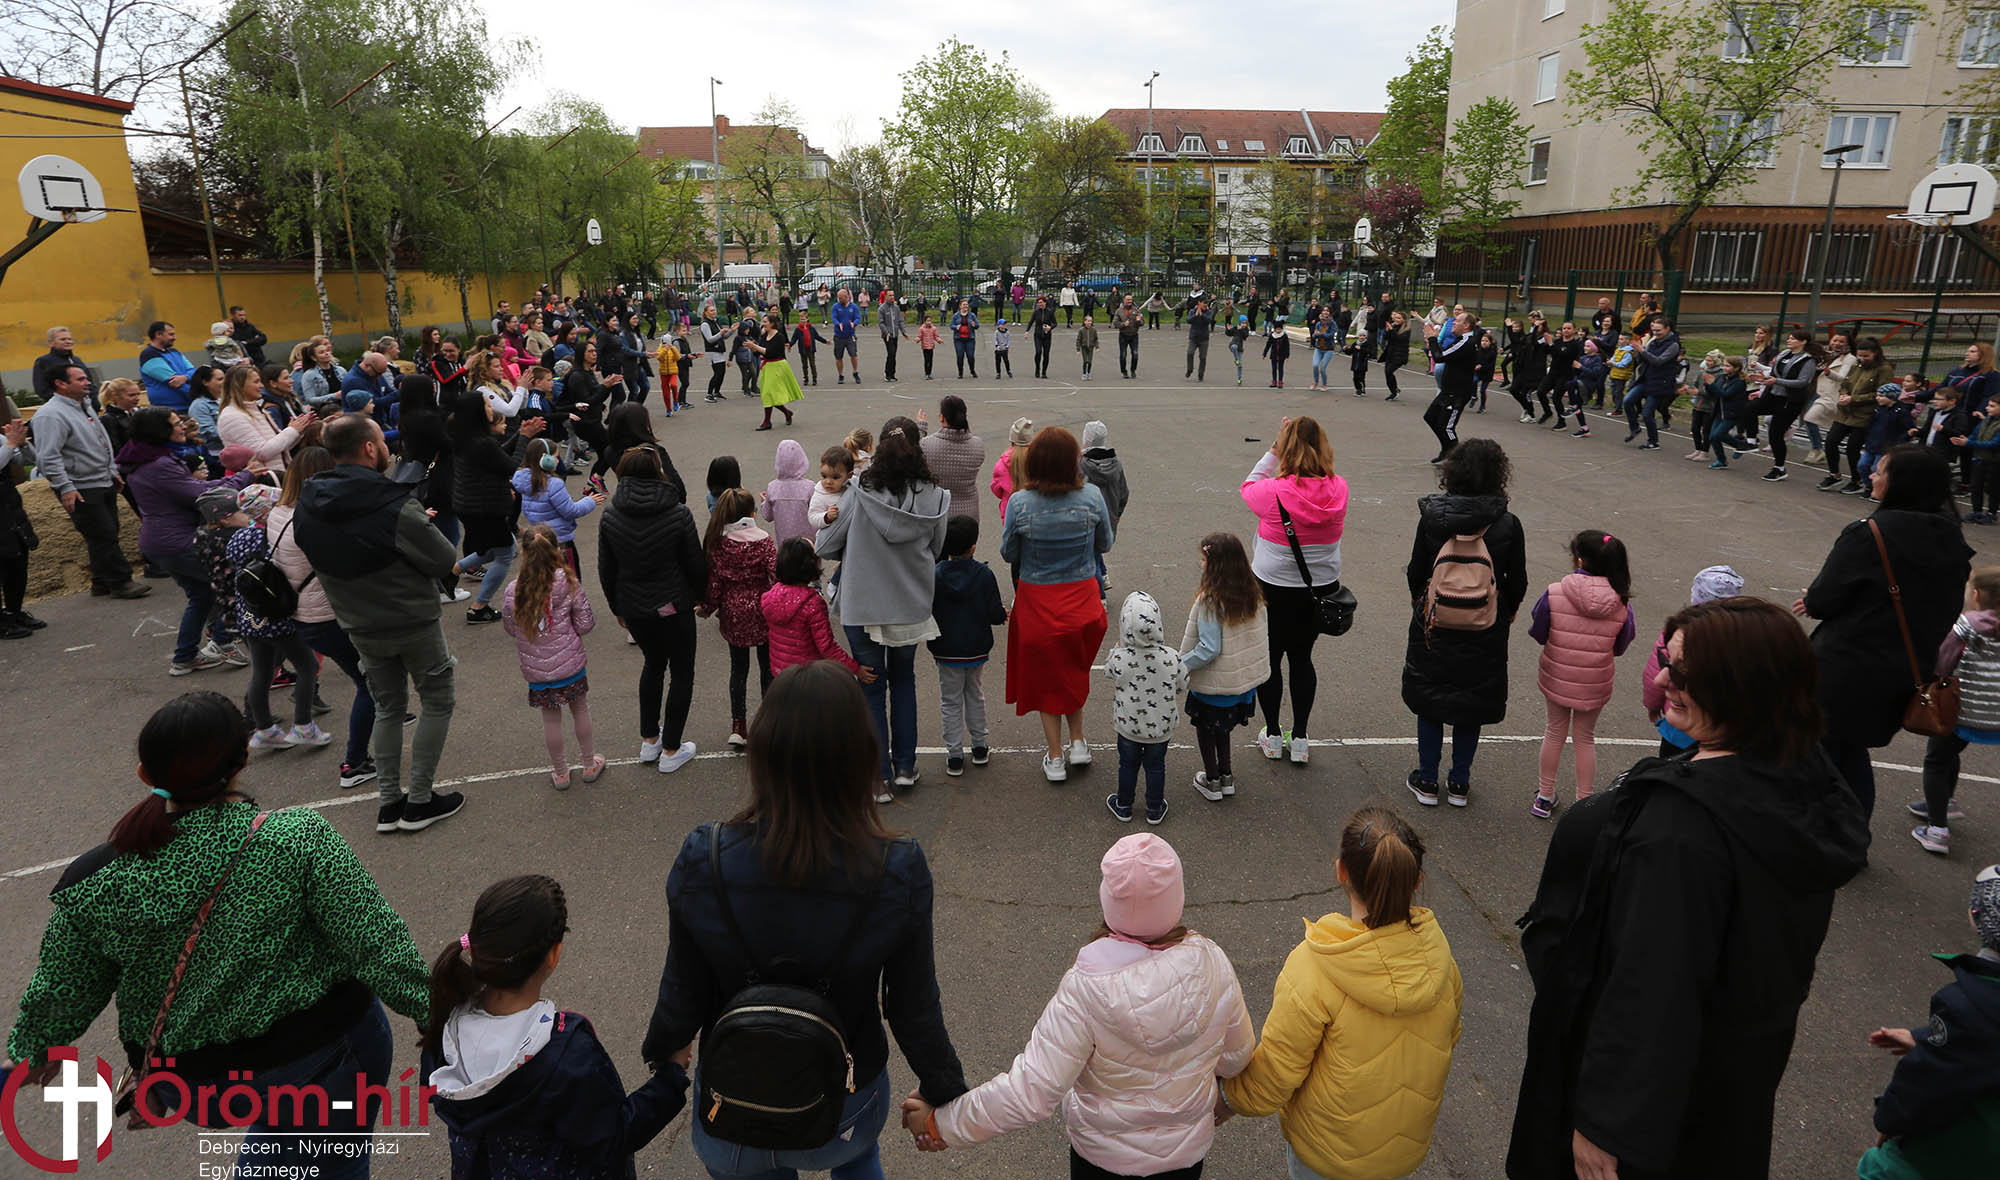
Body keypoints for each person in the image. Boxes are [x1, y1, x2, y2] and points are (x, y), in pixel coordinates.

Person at [1508, 596, 1869, 1180]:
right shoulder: (1802, 780)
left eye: (1683, 673)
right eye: (1666, 662)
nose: (1663, 681)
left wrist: (1604, 1122)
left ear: (1740, 685)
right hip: (1730, 1082)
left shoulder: (1682, 833)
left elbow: (1653, 984)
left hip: (1652, 1116)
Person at [5, 691, 431, 1180]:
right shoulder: (294, 838)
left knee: (283, 1148)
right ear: (243, 758)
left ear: (145, 773)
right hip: (316, 1057)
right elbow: (375, 941)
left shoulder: (94, 879)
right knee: (326, 1158)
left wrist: (36, 1049)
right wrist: (434, 1012)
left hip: (195, 1083)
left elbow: (64, 986)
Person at [641, 663, 971, 1178]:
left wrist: (665, 1051)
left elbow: (684, 985)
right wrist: (943, 1091)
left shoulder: (705, 857)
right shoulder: (895, 867)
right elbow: (912, 1006)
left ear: (764, 753)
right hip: (846, 1098)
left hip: (735, 1097)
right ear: (860, 755)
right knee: (858, 1157)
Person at [903, 833, 1253, 1179]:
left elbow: (1031, 1091)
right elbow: (1236, 1057)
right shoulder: (1213, 961)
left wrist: (942, 1124)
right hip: (1185, 1157)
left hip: (1103, 1160)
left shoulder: (1085, 989)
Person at [1224, 807, 1463, 1180]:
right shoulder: (1441, 963)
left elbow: (1276, 1073)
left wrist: (1227, 1099)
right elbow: (1449, 1036)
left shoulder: (1314, 968)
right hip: (1401, 1152)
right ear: (1416, 880)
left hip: (1327, 1155)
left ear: (1341, 871)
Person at [426, 882, 691, 1179]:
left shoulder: (446, 1028)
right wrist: (670, 1078)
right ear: (553, 955)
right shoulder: (568, 1055)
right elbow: (614, 1136)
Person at [296, 415, 465, 833]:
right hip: (411, 619)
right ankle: (420, 800)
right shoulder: (393, 503)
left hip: (358, 623)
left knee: (388, 707)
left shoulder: (309, 503)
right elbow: (445, 559)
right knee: (437, 701)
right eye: (382, 441)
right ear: (370, 448)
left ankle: (390, 802)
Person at [1798, 444, 1972, 818]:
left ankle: (1822, 834)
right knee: (1849, 750)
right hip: (1906, 669)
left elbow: (1825, 599)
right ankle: (1852, 831)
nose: (1872, 476)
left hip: (1846, 667)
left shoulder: (1870, 533)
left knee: (1817, 752)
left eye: (1881, 471)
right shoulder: (1951, 537)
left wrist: (1813, 600)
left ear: (1902, 483)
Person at [817, 420, 950, 798]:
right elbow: (936, 549)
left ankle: (878, 778)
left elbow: (825, 545)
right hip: (909, 602)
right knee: (904, 679)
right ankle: (905, 766)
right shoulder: (936, 496)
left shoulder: (861, 491)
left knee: (871, 687)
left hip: (864, 603)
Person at [1402, 438, 1528, 807]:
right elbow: (1517, 579)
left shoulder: (1433, 518)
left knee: (1431, 699)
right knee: (1472, 702)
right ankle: (1459, 782)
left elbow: (1416, 570)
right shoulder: (1507, 524)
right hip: (1485, 622)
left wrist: (1421, 602)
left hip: (1436, 621)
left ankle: (1427, 780)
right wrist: (1508, 610)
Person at [1857, 864, 2000, 1178]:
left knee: (1878, 1168)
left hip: (1954, 1151)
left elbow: (1927, 1081)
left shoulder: (1965, 1005)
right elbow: (1985, 1047)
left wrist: (1889, 1121)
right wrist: (1926, 1038)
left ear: (1976, 916)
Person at [1002, 426, 1115, 783]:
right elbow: (1105, 544)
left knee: (1046, 678)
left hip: (1039, 600)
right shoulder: (1092, 496)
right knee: (1072, 670)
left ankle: (1055, 756)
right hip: (1081, 598)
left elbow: (1008, 552)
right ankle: (1078, 741)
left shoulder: (1020, 503)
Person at [267, 447, 380, 787]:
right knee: (369, 684)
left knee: (368, 678)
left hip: (303, 614)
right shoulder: (313, 520)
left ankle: (380, 724)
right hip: (328, 616)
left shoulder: (279, 513)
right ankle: (354, 763)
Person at [1241, 417, 1348, 766]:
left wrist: (1273, 450)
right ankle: (1299, 736)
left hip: (1273, 586)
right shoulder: (1339, 489)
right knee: (1302, 658)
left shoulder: (1273, 491)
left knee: (1271, 659)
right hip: (1319, 588)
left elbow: (1249, 485)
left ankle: (1273, 734)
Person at [119, 407, 256, 672]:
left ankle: (184, 658)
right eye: (175, 423)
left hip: (160, 542)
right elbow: (201, 494)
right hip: (178, 543)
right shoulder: (159, 465)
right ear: (159, 431)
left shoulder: (147, 459)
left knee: (202, 595)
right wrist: (245, 475)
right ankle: (223, 641)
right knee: (234, 587)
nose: (182, 426)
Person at [597, 445, 705, 774]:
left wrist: (617, 607)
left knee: (653, 664)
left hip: (634, 608)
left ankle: (649, 740)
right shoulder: (678, 513)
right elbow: (694, 562)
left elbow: (606, 569)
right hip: (674, 604)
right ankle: (672, 747)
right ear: (658, 472)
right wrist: (701, 596)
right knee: (682, 671)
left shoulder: (611, 515)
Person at [1529, 531, 1636, 818]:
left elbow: (1538, 631)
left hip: (1557, 674)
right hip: (1594, 680)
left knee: (1554, 731)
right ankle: (1584, 804)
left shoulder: (1555, 592)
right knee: (1585, 738)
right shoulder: (1622, 602)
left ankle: (1545, 796)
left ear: (1579, 560)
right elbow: (1621, 645)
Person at [33, 361, 150, 598]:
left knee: (106, 533)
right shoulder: (50, 415)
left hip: (101, 480)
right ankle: (120, 582)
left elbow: (101, 441)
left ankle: (101, 581)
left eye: (86, 378)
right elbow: (48, 456)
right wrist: (65, 487)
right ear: (60, 384)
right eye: (80, 379)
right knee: (103, 534)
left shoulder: (84, 407)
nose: (88, 382)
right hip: (80, 485)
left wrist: (111, 471)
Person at [500, 524, 604, 789]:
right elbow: (585, 624)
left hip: (536, 669)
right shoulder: (568, 582)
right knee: (580, 709)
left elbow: (511, 627)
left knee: (550, 718)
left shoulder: (513, 589)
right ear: (557, 550)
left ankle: (560, 772)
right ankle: (589, 763)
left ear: (524, 553)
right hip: (570, 662)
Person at [1911, 567, 2000, 855]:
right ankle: (1944, 802)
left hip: (1963, 711)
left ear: (1977, 596)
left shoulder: (1968, 623)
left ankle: (1937, 831)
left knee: (1936, 760)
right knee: (1949, 754)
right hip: (1994, 715)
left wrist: (1931, 679)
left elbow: (1944, 660)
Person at [1179, 532, 1269, 805]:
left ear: (1215, 565)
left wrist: (1180, 664)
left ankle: (1212, 779)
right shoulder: (1252, 593)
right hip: (1238, 684)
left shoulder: (1210, 600)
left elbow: (1208, 649)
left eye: (1204, 559)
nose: (1201, 563)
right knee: (1223, 730)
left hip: (1213, 686)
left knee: (1206, 732)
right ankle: (1226, 775)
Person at [451, 395, 541, 624]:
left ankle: (453, 571)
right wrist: (525, 438)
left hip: (472, 505)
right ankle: (479, 607)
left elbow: (497, 454)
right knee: (506, 553)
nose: (491, 409)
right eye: (487, 405)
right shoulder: (481, 442)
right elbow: (511, 466)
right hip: (484, 507)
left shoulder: (467, 437)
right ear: (478, 412)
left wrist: (520, 434)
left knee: (496, 549)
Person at [930, 515, 1007, 778]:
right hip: (976, 647)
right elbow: (995, 614)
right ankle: (980, 745)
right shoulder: (984, 574)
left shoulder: (936, 574)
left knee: (950, 701)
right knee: (974, 694)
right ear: (973, 547)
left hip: (945, 648)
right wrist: (1002, 614)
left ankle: (954, 755)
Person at [1102, 591, 1188, 825]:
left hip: (1128, 728)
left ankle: (1124, 805)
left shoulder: (1121, 658)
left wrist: (1117, 649)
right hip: (1160, 728)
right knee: (1156, 767)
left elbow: (1108, 671)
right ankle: (1154, 808)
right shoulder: (1171, 657)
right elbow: (1182, 683)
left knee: (1127, 765)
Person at [1640, 565, 1745, 756]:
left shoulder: (1677, 632)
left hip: (1681, 722)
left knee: (1671, 765)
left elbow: (1655, 671)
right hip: (1724, 727)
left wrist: (1653, 704)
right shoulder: (1743, 635)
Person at [702, 488, 777, 748]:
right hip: (763, 610)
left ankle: (738, 726)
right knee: (768, 668)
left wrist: (707, 607)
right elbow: (775, 576)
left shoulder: (719, 543)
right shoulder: (764, 540)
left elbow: (715, 584)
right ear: (752, 513)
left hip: (733, 613)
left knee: (738, 669)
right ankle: (769, 723)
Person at [763, 536, 867, 680]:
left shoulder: (770, 596)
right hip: (808, 676)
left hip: (781, 673)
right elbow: (827, 647)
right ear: (810, 566)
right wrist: (855, 669)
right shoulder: (813, 604)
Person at [1818, 337, 1899, 492]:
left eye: (1866, 356)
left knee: (1852, 448)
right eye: (1860, 355)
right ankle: (1834, 475)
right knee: (1831, 442)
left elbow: (1881, 393)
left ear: (1875, 353)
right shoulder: (1856, 365)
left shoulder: (1884, 369)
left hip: (1864, 415)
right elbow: (1845, 383)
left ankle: (1857, 480)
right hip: (1844, 412)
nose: (1862, 358)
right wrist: (1843, 394)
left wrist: (1854, 399)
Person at [217, 364, 311, 475]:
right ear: (240, 385)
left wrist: (300, 429)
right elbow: (261, 453)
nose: (261, 386)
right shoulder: (232, 416)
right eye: (256, 382)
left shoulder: (255, 409)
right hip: (263, 479)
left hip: (276, 475)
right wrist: (292, 430)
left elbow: (279, 448)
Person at [920, 395, 985, 522]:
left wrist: (921, 428)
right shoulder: (978, 445)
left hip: (937, 512)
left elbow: (914, 454)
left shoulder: (926, 444)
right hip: (968, 515)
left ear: (941, 417)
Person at [138, 320, 197, 412]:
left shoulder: (174, 352)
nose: (174, 337)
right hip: (169, 411)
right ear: (158, 334)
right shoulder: (149, 355)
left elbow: (194, 372)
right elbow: (175, 383)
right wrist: (199, 396)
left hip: (189, 406)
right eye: (171, 334)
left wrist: (185, 377)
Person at [32, 325, 90, 401]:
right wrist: (65, 402)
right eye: (63, 339)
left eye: (69, 339)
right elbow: (42, 389)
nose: (68, 342)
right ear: (51, 343)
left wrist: (95, 402)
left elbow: (90, 383)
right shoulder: (44, 361)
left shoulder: (77, 360)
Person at [831, 286, 862, 385]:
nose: (839, 299)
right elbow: (834, 317)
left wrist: (854, 323)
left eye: (841, 298)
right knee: (838, 357)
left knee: (853, 355)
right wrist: (838, 324)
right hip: (839, 336)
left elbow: (857, 317)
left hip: (850, 336)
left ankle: (855, 372)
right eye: (838, 298)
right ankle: (840, 375)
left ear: (846, 297)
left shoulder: (854, 307)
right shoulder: (835, 307)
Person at [879, 288, 908, 381]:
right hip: (887, 335)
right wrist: (886, 332)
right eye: (890, 295)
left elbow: (900, 320)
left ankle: (892, 374)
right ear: (886, 296)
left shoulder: (896, 307)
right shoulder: (882, 308)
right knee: (891, 353)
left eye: (893, 295)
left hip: (895, 334)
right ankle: (887, 373)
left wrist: (903, 331)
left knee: (893, 354)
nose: (892, 297)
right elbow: (881, 323)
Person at [791, 310, 825, 386]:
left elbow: (817, 337)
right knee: (804, 365)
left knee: (812, 364)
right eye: (801, 319)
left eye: (804, 319)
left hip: (811, 349)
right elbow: (794, 339)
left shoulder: (811, 328)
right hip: (803, 350)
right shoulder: (798, 329)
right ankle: (806, 378)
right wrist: (790, 345)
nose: (802, 321)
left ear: (807, 319)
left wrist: (825, 341)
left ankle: (814, 378)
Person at [1185, 297, 1215, 383]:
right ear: (1199, 303)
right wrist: (1196, 315)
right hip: (1193, 337)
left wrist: (1201, 315)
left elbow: (1209, 320)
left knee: (1203, 357)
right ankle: (1190, 369)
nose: (1205, 305)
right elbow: (1188, 320)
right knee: (1190, 353)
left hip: (1204, 338)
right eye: (1204, 303)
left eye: (1207, 303)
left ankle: (1200, 374)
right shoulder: (1192, 311)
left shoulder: (1209, 312)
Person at [1028, 293, 1058, 379]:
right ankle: (1037, 368)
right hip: (1037, 335)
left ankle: (1044, 372)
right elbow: (1031, 322)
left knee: (1046, 354)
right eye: (1038, 303)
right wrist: (1027, 331)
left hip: (1047, 336)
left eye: (1041, 302)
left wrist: (1050, 327)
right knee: (1038, 352)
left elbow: (1055, 323)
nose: (1040, 304)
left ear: (1045, 302)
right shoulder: (1036, 312)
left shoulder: (1050, 312)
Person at [1114, 294, 1143, 378]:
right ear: (1124, 300)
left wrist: (1138, 321)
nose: (1129, 301)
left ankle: (1133, 370)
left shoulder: (1136, 310)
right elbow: (1115, 323)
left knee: (1135, 354)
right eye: (1128, 300)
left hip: (1134, 335)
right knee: (1123, 355)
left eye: (1131, 299)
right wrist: (1123, 324)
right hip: (1123, 335)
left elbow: (1142, 322)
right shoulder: (1119, 311)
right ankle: (1124, 371)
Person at [950, 298, 980, 378]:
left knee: (970, 356)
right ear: (960, 306)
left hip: (970, 339)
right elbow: (951, 325)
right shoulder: (956, 315)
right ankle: (960, 373)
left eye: (966, 304)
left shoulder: (972, 315)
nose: (965, 306)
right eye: (964, 305)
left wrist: (974, 325)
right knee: (960, 356)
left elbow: (977, 325)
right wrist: (956, 327)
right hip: (958, 339)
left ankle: (972, 370)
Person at [917, 312, 940, 379]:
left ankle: (929, 373)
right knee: (926, 360)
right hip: (925, 347)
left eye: (930, 320)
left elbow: (936, 336)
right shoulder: (921, 329)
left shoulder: (933, 328)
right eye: (927, 321)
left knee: (930, 360)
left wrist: (939, 340)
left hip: (931, 346)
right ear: (924, 321)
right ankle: (926, 373)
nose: (929, 322)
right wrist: (917, 339)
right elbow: (919, 336)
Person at [1076, 314, 1099, 379]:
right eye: (1088, 321)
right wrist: (1078, 349)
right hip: (1084, 348)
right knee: (1085, 361)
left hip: (1091, 348)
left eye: (1091, 321)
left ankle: (1088, 373)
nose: (1089, 322)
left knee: (1089, 362)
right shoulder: (1081, 330)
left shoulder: (1094, 330)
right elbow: (1078, 340)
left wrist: (1097, 347)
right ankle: (1084, 373)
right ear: (1085, 322)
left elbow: (1096, 339)